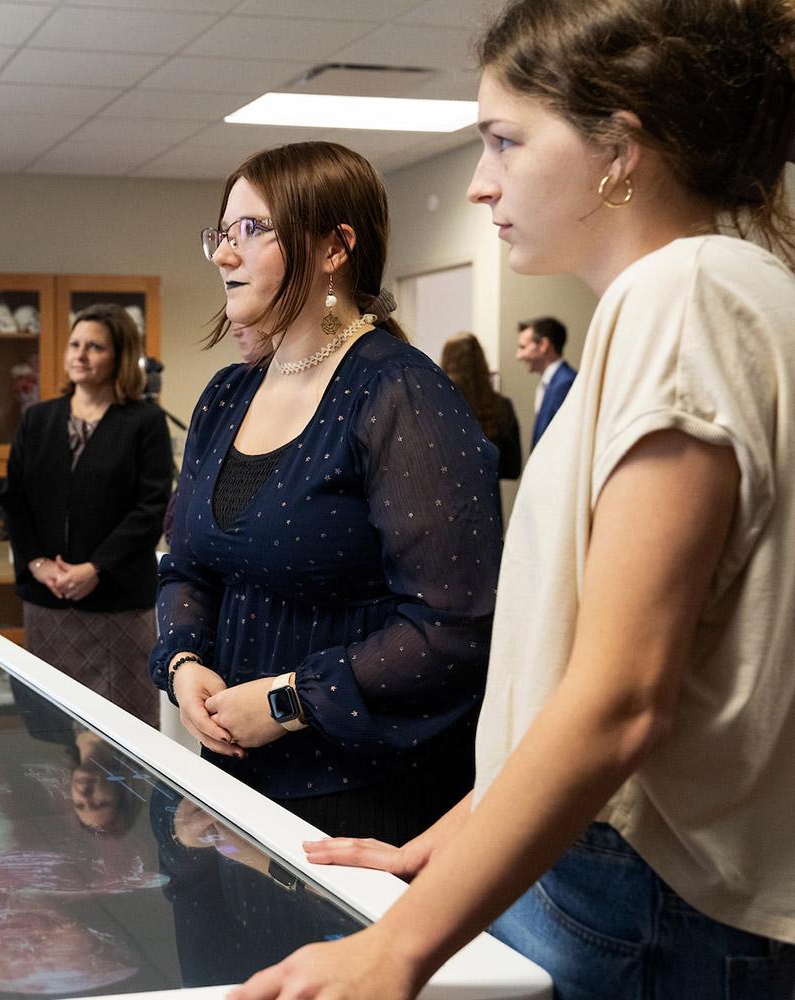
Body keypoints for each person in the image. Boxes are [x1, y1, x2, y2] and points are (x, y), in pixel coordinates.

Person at [232, 1, 795, 998]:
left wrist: (398, 945)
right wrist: (451, 840)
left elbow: (624, 698)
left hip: (650, 897)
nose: (481, 180)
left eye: (503, 140)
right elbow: (574, 673)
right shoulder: (713, 289)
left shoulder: (686, 293)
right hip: (621, 870)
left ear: (617, 145)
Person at [153, 141, 502, 847]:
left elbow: (453, 628)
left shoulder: (399, 394)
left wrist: (288, 701)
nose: (224, 255)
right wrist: (185, 663)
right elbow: (188, 565)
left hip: (360, 797)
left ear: (335, 246)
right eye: (221, 234)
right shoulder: (229, 394)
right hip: (230, 776)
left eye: (252, 231)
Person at [1, 303, 173, 727]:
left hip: (116, 604)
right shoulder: (38, 419)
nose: (80, 354)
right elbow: (14, 501)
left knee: (125, 730)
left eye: (94, 347)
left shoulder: (145, 421)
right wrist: (38, 565)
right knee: (52, 726)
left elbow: (150, 508)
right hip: (48, 599)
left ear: (119, 356)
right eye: (75, 344)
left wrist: (95, 567)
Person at [440, 332, 521, 479]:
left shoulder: (436, 403)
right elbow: (512, 469)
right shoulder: (501, 406)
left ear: (446, 361)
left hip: (446, 496)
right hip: (487, 497)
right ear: (481, 362)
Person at [517, 315, 576, 446]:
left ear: (543, 345)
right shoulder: (551, 383)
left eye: (523, 347)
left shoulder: (564, 384)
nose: (519, 356)